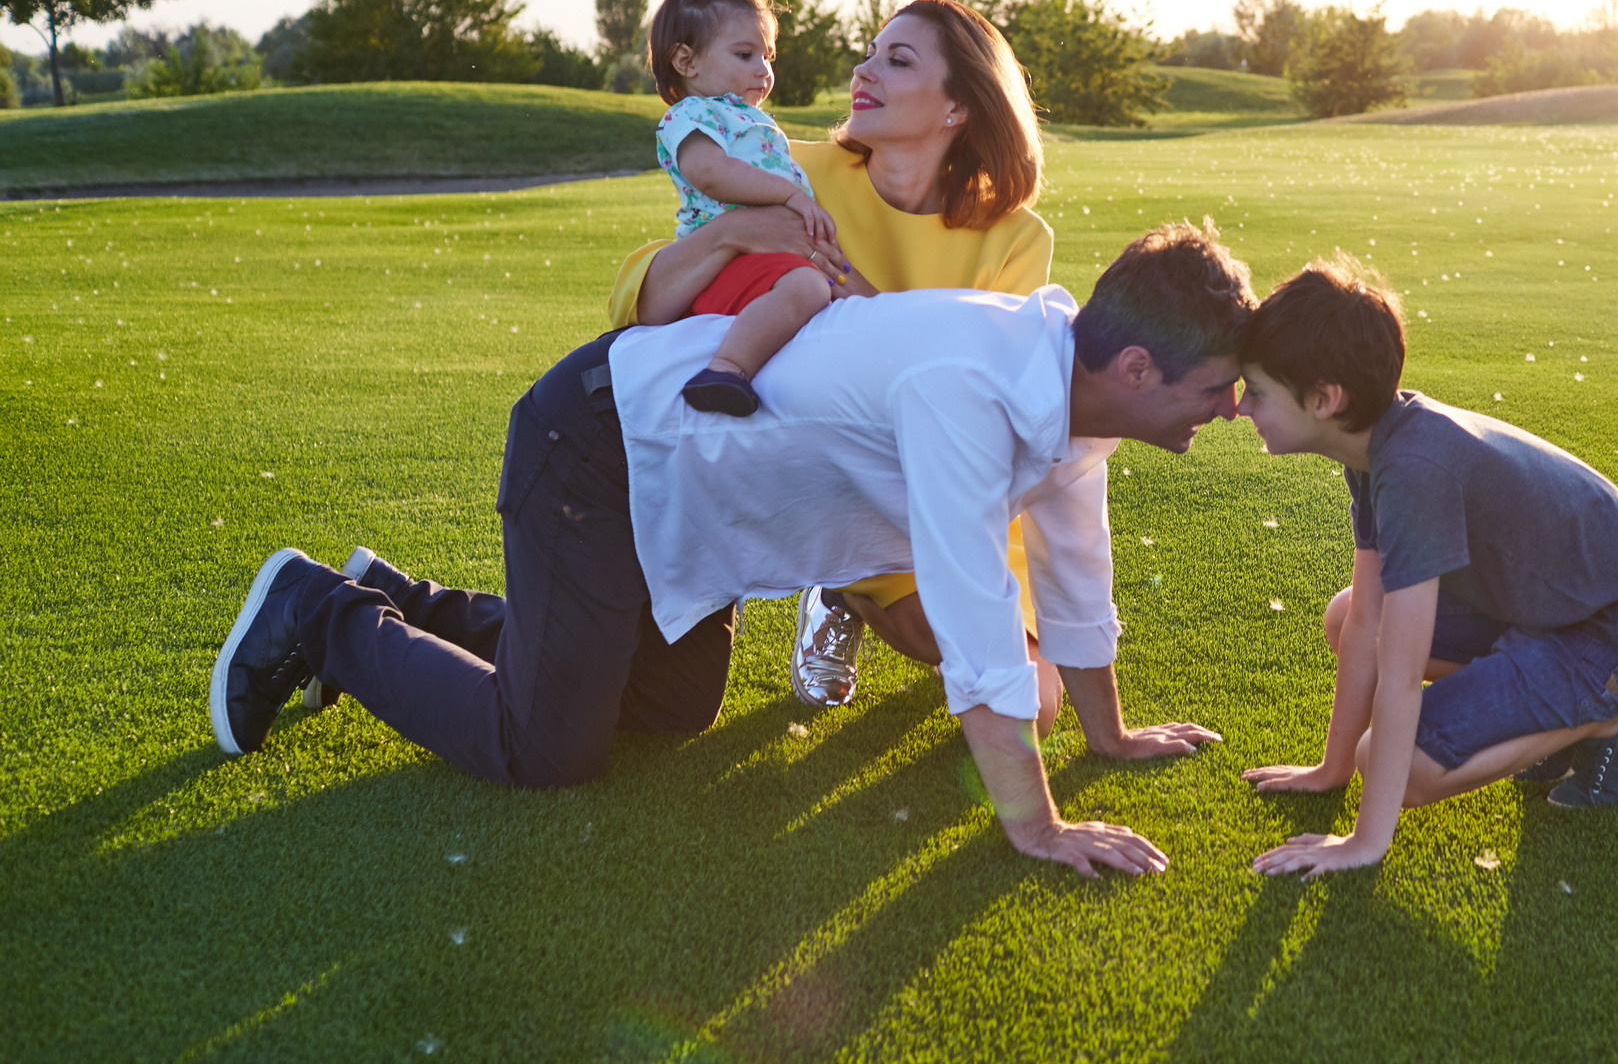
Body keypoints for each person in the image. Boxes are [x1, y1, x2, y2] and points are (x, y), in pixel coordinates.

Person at [208, 225, 1256, 879]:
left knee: (673, 709)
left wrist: (1111, 738)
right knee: (546, 751)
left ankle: (403, 598)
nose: (1230, 409)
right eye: (1214, 389)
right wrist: (1037, 826)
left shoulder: (1075, 407)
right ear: (1130, 364)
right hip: (600, 450)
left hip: (684, 497)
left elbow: (1077, 576)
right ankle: (319, 611)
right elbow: (975, 608)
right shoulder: (974, 386)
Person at [607, 0, 1056, 719]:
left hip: (928, 488)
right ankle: (841, 571)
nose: (864, 67)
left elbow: (997, 407)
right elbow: (641, 298)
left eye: (897, 59)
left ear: (959, 107)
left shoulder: (1017, 237)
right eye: (871, 50)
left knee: (1035, 698)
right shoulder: (789, 173)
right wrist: (738, 232)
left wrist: (874, 305)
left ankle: (844, 587)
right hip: (811, 468)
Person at [1232, 258, 1618, 877]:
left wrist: (1366, 839)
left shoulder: (1415, 470)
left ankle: (1612, 717)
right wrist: (1329, 771)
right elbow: (1368, 618)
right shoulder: (1372, 446)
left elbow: (1399, 670)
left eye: (1256, 391)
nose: (1239, 408)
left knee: (1397, 765)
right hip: (1547, 616)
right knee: (1345, 619)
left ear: (1323, 398)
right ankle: (1555, 704)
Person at [642, 0, 848, 417]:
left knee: (834, 289)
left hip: (764, 260)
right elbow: (711, 175)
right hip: (723, 264)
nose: (763, 69)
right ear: (686, 61)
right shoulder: (691, 117)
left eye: (768, 56)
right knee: (809, 289)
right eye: (744, 55)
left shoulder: (750, 120)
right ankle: (726, 369)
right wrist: (791, 197)